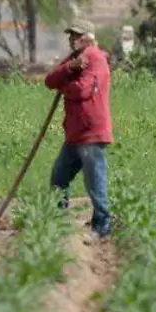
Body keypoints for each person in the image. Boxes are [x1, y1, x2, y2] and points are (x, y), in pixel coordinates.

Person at [44, 19, 115, 237]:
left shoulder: (96, 59)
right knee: (59, 177)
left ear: (88, 38)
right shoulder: (74, 60)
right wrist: (69, 68)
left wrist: (65, 84)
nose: (71, 40)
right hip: (75, 133)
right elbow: (49, 80)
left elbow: (82, 91)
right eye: (70, 36)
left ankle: (102, 227)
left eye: (76, 36)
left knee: (94, 182)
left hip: (91, 133)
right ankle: (58, 221)